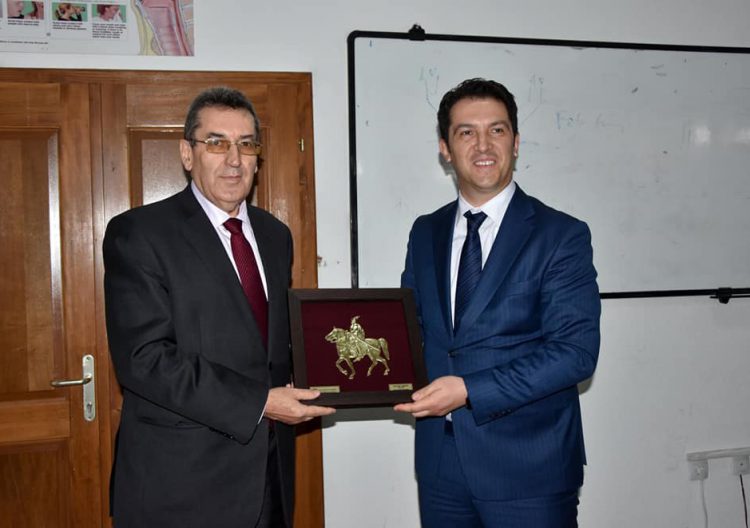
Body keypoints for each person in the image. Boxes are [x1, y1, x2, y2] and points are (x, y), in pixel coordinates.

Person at [103, 86, 335, 528]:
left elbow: (270, 343)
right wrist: (261, 403)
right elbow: (144, 359)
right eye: (216, 143)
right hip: (181, 483)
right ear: (187, 154)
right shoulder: (140, 233)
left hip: (268, 475)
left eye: (246, 144)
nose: (234, 159)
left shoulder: (275, 235)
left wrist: (329, 370)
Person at [394, 78, 601, 527]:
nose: (483, 145)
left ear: (516, 142)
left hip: (530, 468)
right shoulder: (425, 232)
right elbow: (411, 330)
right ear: (445, 149)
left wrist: (470, 390)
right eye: (466, 132)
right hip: (440, 466)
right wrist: (335, 372)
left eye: (497, 130)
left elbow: (575, 353)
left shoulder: (560, 235)